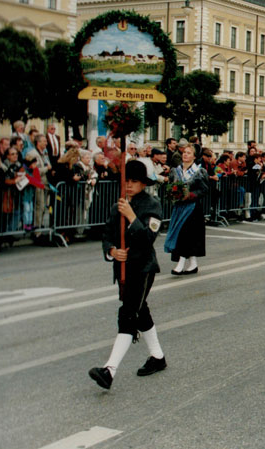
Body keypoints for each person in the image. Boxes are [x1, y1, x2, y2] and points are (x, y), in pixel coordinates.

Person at [89, 160, 166, 389]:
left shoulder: (152, 205)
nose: (129, 185)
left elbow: (147, 240)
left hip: (142, 268)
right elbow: (107, 236)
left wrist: (132, 217)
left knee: (128, 314)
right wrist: (113, 251)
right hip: (123, 269)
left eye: (134, 181)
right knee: (140, 311)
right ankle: (158, 357)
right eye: (127, 181)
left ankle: (109, 370)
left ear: (143, 183)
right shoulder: (117, 207)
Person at [164, 144, 208, 275]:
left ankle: (181, 263)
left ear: (194, 156)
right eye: (184, 152)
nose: (185, 154)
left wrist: (191, 195)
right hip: (179, 206)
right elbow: (171, 186)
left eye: (189, 153)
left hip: (192, 207)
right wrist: (173, 193)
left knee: (185, 234)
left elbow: (204, 189)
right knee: (184, 234)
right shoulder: (175, 170)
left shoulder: (199, 171)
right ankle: (193, 264)